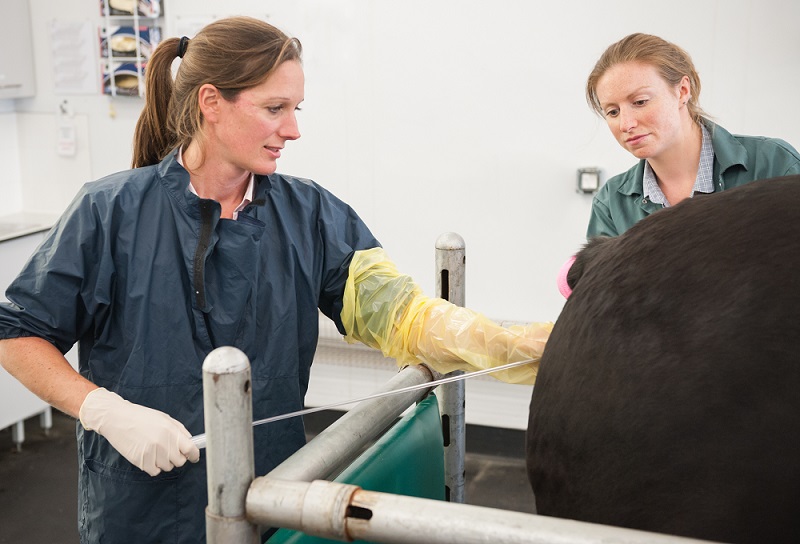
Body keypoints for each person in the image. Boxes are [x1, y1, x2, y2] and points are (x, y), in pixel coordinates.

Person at [0, 17, 550, 544]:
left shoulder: (310, 214)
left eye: (296, 108)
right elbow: (17, 332)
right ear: (211, 103)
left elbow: (400, 313)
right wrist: (105, 411)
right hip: (139, 509)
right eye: (275, 108)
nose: (293, 129)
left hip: (275, 492)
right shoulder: (109, 211)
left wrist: (514, 345)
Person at [584, 32, 800, 238]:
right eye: (613, 112)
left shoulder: (774, 164)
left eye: (640, 102)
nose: (626, 124)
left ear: (682, 91)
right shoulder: (610, 203)